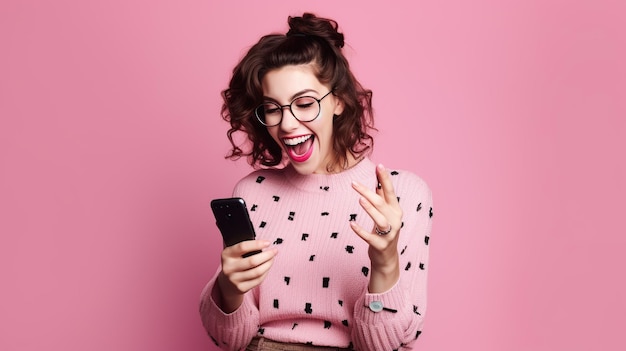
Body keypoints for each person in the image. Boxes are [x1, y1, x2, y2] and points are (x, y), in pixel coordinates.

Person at [200, 13, 433, 351]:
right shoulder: (253, 192)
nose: (288, 124)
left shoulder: (403, 196)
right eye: (273, 109)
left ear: (338, 100)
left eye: (305, 104)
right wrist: (229, 289)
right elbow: (229, 340)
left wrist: (385, 264)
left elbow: (384, 345)